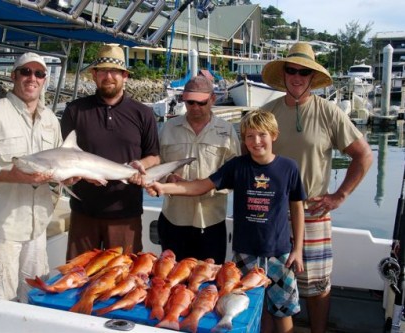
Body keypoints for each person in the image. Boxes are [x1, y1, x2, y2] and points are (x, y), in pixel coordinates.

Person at [146, 110, 306, 333]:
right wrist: (164, 187)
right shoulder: (237, 166)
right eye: (249, 136)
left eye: (262, 135)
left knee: (282, 310)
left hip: (280, 253)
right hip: (244, 254)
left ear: (274, 135)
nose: (256, 141)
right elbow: (200, 186)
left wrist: (297, 249)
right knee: (247, 308)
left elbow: (297, 207)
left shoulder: (289, 168)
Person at [261, 42, 373, 333]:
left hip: (313, 211)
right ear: (283, 74)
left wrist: (340, 195)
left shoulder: (329, 112)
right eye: (291, 70)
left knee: (317, 285)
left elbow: (364, 155)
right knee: (270, 283)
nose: (297, 77)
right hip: (272, 214)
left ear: (313, 77)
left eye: (304, 72)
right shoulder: (266, 114)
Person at [0, 52, 66, 302]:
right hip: (0, 228)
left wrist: (67, 178)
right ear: (13, 76)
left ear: (45, 80)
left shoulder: (51, 119)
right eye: (25, 72)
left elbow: (60, 162)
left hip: (36, 227)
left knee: (36, 297)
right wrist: (10, 175)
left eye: (39, 73)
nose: (32, 78)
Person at [60, 44, 160, 260]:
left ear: (125, 76)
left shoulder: (143, 113)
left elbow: (154, 156)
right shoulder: (74, 111)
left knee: (124, 279)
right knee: (79, 277)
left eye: (114, 71)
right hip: (83, 213)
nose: (108, 76)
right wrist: (82, 176)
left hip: (126, 213)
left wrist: (140, 166)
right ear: (94, 75)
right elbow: (64, 158)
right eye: (102, 71)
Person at [156, 75, 240, 264]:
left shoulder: (227, 131)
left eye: (201, 103)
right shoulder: (167, 128)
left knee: (207, 281)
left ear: (212, 99)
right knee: (171, 280)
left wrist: (207, 185)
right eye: (190, 102)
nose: (195, 107)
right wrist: (168, 178)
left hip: (211, 221)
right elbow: (156, 166)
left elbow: (235, 174)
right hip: (173, 219)